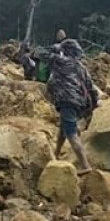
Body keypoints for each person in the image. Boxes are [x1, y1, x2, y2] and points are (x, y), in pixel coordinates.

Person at [42, 39, 98, 175]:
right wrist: (93, 106)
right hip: (79, 103)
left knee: (71, 133)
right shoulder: (81, 67)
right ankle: (56, 153)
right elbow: (92, 88)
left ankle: (85, 165)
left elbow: (39, 53)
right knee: (64, 128)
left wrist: (55, 48)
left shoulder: (61, 61)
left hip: (67, 100)